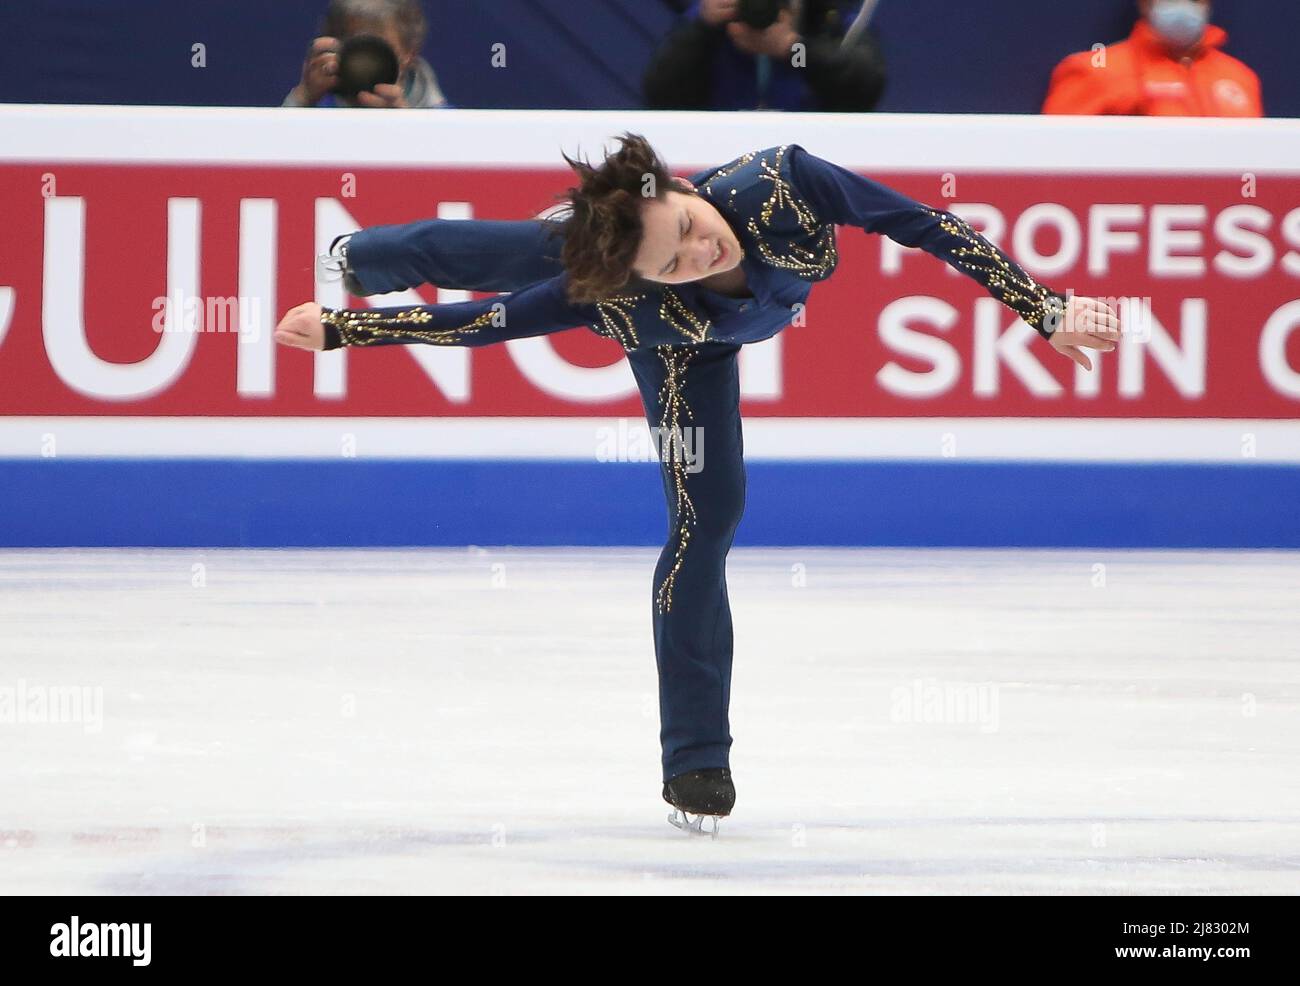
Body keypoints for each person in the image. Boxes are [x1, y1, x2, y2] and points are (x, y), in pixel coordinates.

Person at [275, 135, 1119, 835]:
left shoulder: (782, 184)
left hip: (679, 306)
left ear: (679, 185)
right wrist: (349, 329)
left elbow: (921, 222)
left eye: (687, 224)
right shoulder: (619, 296)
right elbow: (485, 324)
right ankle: (697, 760)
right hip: (677, 347)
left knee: (712, 516)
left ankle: (371, 253)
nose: (700, 250)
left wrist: (1043, 308)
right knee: (521, 264)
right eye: (677, 259)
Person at [643, 0, 886, 112]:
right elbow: (661, 94)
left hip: (810, 156)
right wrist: (703, 28)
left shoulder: (827, 16)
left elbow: (864, 88)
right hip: (719, 153)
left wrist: (792, 49)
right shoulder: (707, 19)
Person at [1043, 0, 1262, 117]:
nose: (1182, 5)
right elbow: (1053, 162)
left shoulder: (1240, 77)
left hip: (1227, 201)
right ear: (1144, 3)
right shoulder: (1095, 71)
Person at [283, 0, 448, 109]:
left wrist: (406, 127)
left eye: (377, 48)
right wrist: (302, 99)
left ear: (409, 53)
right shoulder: (313, 111)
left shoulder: (447, 125)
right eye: (356, 46)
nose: (366, 61)